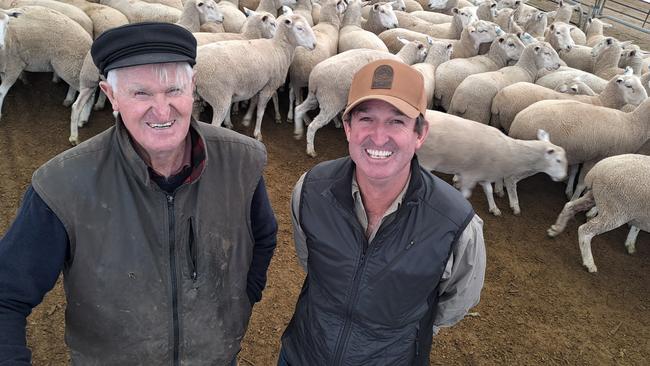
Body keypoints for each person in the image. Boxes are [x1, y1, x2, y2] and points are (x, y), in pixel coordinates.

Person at [0, 23, 277, 365]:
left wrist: (241, 299)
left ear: (193, 87)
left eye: (173, 90)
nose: (161, 111)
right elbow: (5, 295)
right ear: (111, 95)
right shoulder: (63, 183)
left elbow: (263, 235)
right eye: (140, 93)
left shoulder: (241, 160)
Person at [279, 59, 486, 365]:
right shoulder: (311, 189)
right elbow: (310, 261)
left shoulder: (456, 223)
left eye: (396, 121)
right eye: (366, 119)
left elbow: (456, 302)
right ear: (348, 128)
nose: (378, 137)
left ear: (420, 133)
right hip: (304, 354)